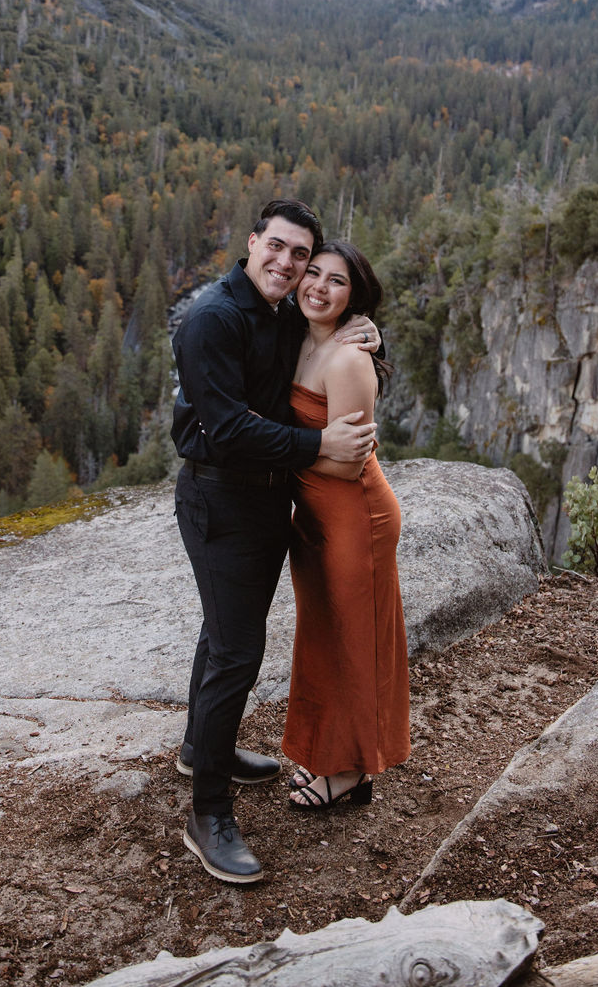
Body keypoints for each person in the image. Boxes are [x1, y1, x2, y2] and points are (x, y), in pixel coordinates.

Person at [170, 199, 380, 884]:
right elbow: (226, 430)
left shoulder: (280, 310)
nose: (289, 265)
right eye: (280, 248)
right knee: (238, 649)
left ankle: (204, 747)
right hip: (221, 496)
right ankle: (208, 815)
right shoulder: (212, 319)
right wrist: (320, 444)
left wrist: (358, 331)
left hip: (267, 496)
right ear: (252, 242)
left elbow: (321, 338)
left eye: (302, 256)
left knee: (226, 628)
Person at [281, 240, 410, 810]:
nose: (319, 287)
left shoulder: (349, 359)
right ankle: (324, 751)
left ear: (353, 297)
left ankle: (353, 769)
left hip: (354, 513)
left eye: (337, 281)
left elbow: (348, 461)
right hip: (311, 513)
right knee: (321, 635)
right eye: (313, 274)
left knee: (353, 638)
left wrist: (278, 453)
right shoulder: (296, 338)